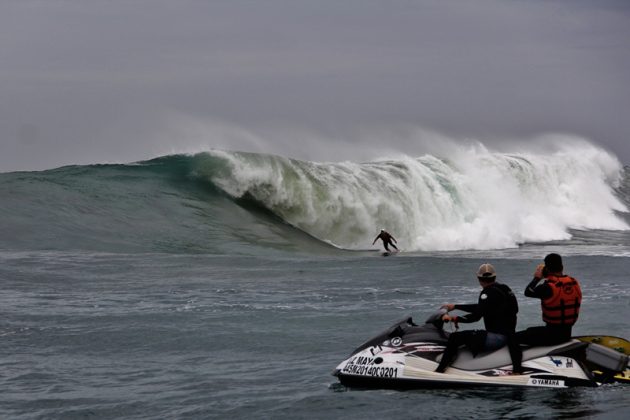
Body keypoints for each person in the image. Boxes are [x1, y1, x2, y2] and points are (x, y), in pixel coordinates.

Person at [435, 263, 521, 373]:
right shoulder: (504, 288)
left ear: (479, 279)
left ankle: (440, 370)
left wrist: (454, 319)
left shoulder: (486, 293)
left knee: (454, 337)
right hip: (509, 336)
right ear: (494, 277)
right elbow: (483, 307)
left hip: (496, 338)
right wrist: (456, 306)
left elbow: (476, 316)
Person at [516, 253, 582, 347]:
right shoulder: (574, 283)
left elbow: (528, 292)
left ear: (546, 269)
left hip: (551, 337)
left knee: (513, 337)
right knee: (531, 330)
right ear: (562, 267)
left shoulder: (548, 287)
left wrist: (537, 278)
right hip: (567, 333)